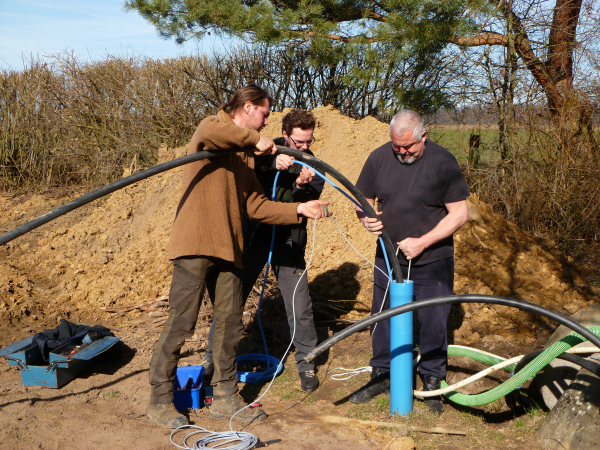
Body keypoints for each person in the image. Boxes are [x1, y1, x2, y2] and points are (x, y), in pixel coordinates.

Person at [147, 85, 331, 429]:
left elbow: (256, 205)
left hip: (230, 247)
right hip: (196, 243)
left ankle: (225, 396)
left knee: (230, 323)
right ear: (247, 107)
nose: (265, 122)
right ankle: (159, 399)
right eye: (263, 114)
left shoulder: (245, 155)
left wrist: (299, 208)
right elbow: (213, 131)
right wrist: (255, 139)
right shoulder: (213, 130)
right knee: (181, 323)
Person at [351, 110, 469, 415]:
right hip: (388, 255)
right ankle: (381, 374)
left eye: (408, 147)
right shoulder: (378, 158)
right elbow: (361, 201)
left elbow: (459, 214)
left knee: (433, 318)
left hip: (433, 258)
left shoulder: (443, 163)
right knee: (383, 315)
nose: (402, 152)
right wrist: (367, 219)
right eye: (397, 146)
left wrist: (423, 242)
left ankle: (432, 379)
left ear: (423, 137)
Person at [201, 109, 324, 393]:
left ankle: (307, 362)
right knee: (230, 301)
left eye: (308, 141)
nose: (304, 147)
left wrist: (300, 185)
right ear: (285, 135)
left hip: (288, 242)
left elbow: (308, 205)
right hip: (251, 239)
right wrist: (271, 162)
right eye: (298, 142)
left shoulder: (314, 165)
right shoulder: (259, 154)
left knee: (299, 304)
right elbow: (244, 180)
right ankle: (212, 359)